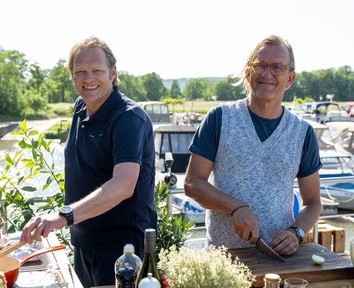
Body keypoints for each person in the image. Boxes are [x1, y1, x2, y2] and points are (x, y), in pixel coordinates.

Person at [20, 36, 157, 287]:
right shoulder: (80, 107)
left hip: (123, 250)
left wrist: (63, 216)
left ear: (113, 72)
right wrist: (69, 221)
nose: (88, 78)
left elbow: (123, 186)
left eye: (97, 70)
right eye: (80, 71)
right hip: (84, 240)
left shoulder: (128, 118)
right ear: (72, 76)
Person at [183, 35, 322, 256]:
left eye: (278, 67)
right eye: (260, 65)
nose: (267, 74)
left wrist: (297, 232)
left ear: (290, 78)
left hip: (279, 260)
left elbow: (313, 203)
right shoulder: (219, 119)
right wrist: (235, 207)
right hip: (223, 260)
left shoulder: (303, 133)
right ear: (248, 73)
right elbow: (192, 184)